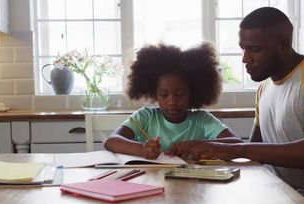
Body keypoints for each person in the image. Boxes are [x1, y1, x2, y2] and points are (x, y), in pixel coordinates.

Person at [191, 7, 304, 200]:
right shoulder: (264, 88)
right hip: (282, 196)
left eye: (255, 49)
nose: (245, 59)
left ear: (284, 43)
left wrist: (234, 149)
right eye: (243, 48)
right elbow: (255, 149)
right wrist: (207, 147)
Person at [104, 42, 242, 159]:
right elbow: (111, 142)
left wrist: (196, 145)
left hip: (193, 184)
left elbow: (237, 144)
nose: (172, 101)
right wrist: (142, 149)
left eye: (180, 94)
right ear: (154, 93)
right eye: (164, 95)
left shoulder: (202, 120)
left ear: (193, 93)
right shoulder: (145, 117)